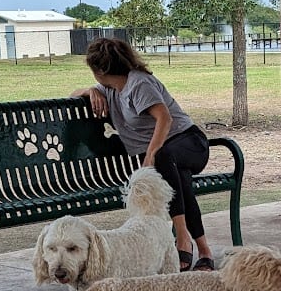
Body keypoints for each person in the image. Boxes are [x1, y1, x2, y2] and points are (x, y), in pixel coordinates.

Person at [72, 37, 216, 271]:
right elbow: (73, 93)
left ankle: (182, 238)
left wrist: (150, 156)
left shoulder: (139, 84)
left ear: (100, 70)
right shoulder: (110, 90)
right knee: (179, 179)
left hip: (189, 143)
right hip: (168, 158)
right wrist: (90, 91)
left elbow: (164, 118)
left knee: (165, 160)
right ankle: (205, 251)